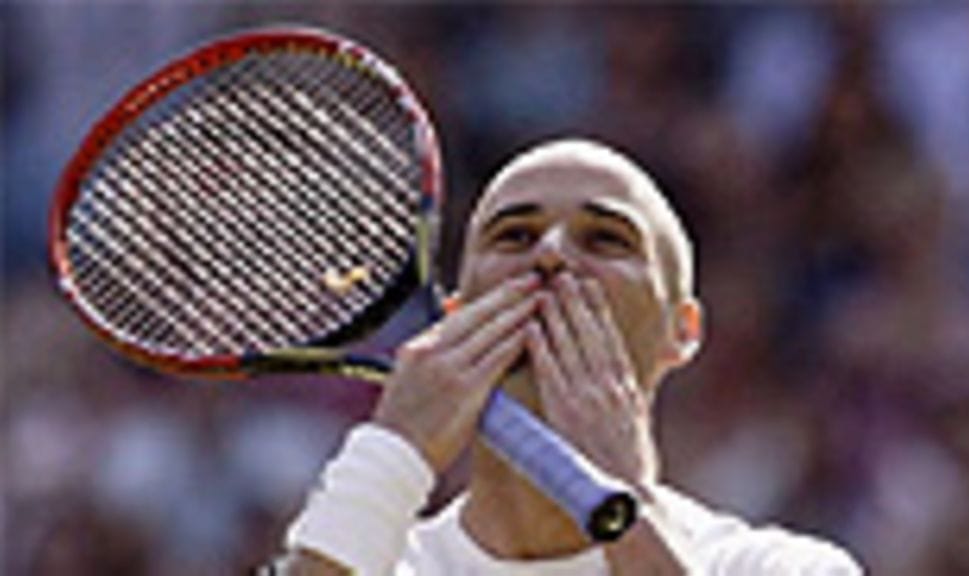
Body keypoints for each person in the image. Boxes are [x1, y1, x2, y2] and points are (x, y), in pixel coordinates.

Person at [273, 139, 863, 575]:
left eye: (606, 239)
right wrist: (391, 451)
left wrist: (625, 503)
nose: (551, 257)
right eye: (514, 236)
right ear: (455, 315)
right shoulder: (363, 557)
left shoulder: (781, 567)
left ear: (680, 332)